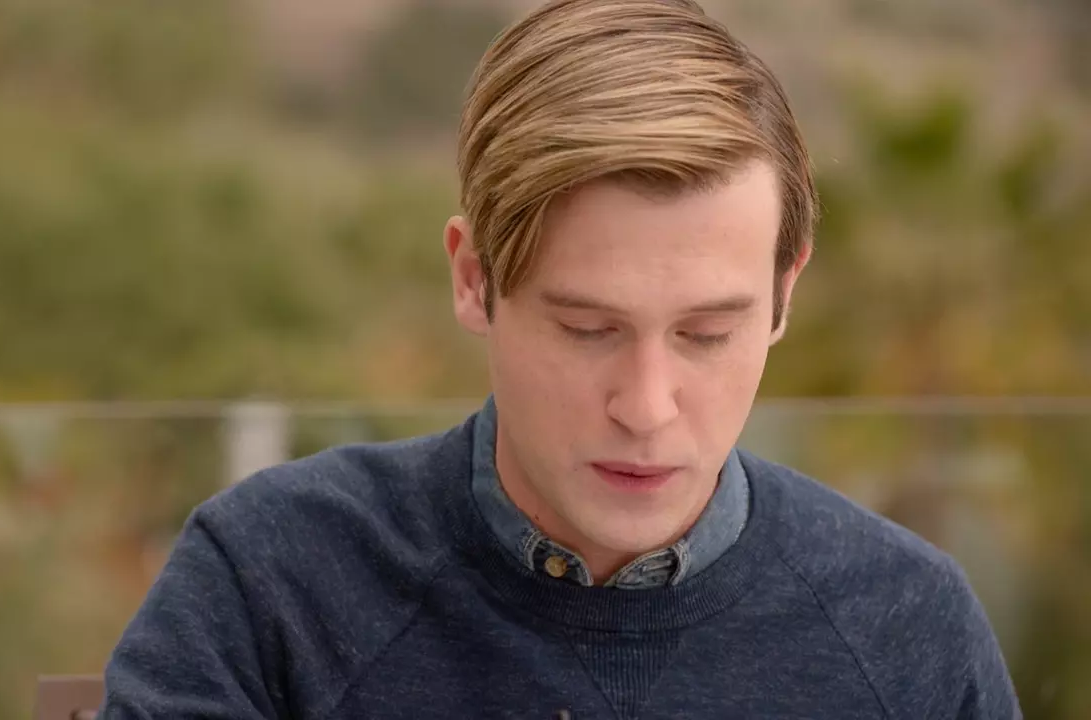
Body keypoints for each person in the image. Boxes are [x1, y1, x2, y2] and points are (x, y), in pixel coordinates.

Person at [98, 0, 1020, 717]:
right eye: (588, 328)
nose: (647, 407)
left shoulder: (906, 625)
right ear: (474, 279)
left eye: (707, 335)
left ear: (785, 295)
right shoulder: (271, 580)